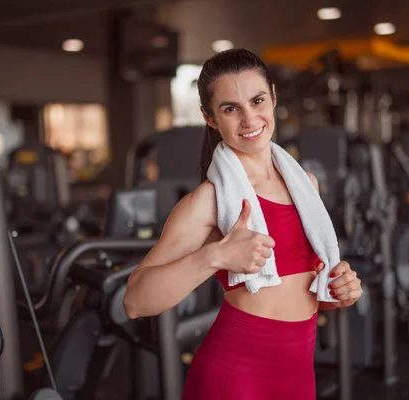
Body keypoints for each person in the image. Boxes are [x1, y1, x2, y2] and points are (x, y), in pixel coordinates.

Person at [123, 48, 363, 399]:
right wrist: (215, 257)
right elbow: (135, 301)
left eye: (257, 101)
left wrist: (339, 292)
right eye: (231, 108)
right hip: (235, 377)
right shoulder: (210, 199)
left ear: (274, 98)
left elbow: (295, 292)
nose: (250, 120)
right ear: (210, 118)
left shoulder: (305, 185)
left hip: (298, 377)